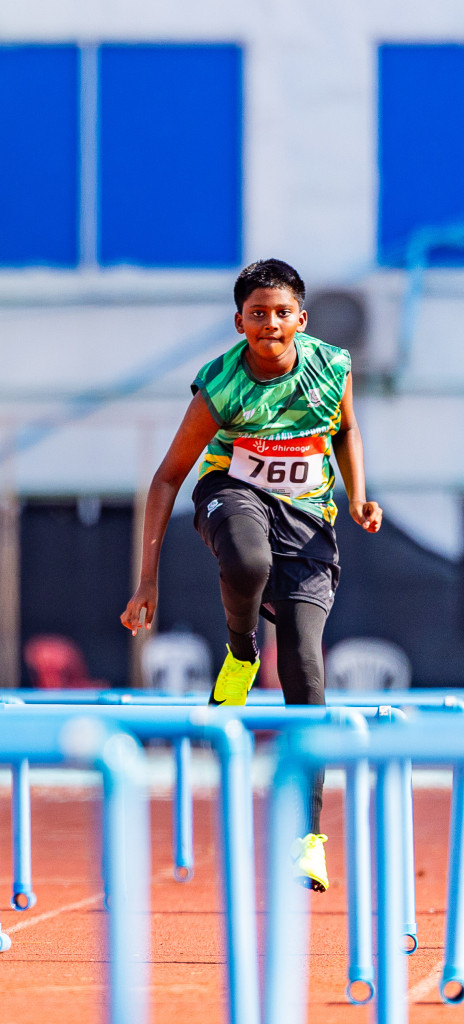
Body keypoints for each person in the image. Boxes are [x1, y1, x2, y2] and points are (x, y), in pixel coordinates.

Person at [121, 258, 383, 894]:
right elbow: (165, 478)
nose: (269, 324)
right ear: (239, 322)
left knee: (304, 670)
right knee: (247, 560)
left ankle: (309, 841)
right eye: (256, 314)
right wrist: (147, 578)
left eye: (281, 313)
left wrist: (356, 496)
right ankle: (240, 651)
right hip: (230, 492)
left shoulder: (332, 366)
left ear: (301, 319)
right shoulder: (221, 387)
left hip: (310, 521)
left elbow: (345, 428)